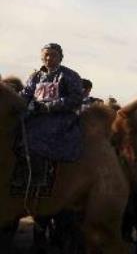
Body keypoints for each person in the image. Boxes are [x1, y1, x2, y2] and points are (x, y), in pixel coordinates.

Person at [17, 43, 84, 188]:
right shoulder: (35, 76)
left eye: (53, 55)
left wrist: (48, 107)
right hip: (36, 114)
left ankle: (39, 177)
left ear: (61, 57)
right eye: (46, 55)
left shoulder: (69, 75)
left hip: (60, 117)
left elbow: (76, 98)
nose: (49, 58)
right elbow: (25, 94)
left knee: (36, 135)